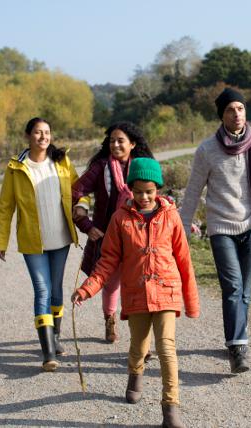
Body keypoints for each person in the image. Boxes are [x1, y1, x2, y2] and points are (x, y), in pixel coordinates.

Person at [72, 158, 199, 428]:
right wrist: (87, 289)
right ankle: (135, 375)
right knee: (138, 347)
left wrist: (192, 303)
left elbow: (184, 261)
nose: (144, 197)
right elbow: (107, 261)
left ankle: (170, 409)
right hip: (135, 293)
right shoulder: (120, 220)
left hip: (166, 291)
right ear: (130, 189)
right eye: (138, 191)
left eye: (150, 191)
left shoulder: (171, 216)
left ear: (158, 189)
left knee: (166, 348)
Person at [180, 87, 251, 374]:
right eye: (230, 109)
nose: (236, 113)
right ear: (221, 115)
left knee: (246, 291)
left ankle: (235, 336)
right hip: (220, 227)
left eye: (240, 108)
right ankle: (238, 349)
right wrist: (180, 231)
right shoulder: (206, 149)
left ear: (245, 112)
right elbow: (192, 192)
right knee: (233, 287)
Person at [0, 117, 90, 371]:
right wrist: (0, 240)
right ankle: (48, 353)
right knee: (42, 291)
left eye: (46, 132)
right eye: (37, 132)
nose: (43, 137)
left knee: (56, 290)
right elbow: (5, 208)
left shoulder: (61, 161)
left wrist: (81, 206)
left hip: (61, 239)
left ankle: (55, 337)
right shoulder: (16, 168)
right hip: (32, 241)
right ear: (28, 136)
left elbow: (80, 190)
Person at [71, 122, 156, 361]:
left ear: (133, 144)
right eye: (112, 141)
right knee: (111, 284)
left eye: (121, 141)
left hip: (139, 237)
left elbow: (154, 196)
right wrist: (88, 226)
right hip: (110, 238)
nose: (116, 145)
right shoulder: (101, 167)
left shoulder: (142, 168)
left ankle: (143, 342)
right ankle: (110, 318)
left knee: (140, 286)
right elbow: (76, 192)